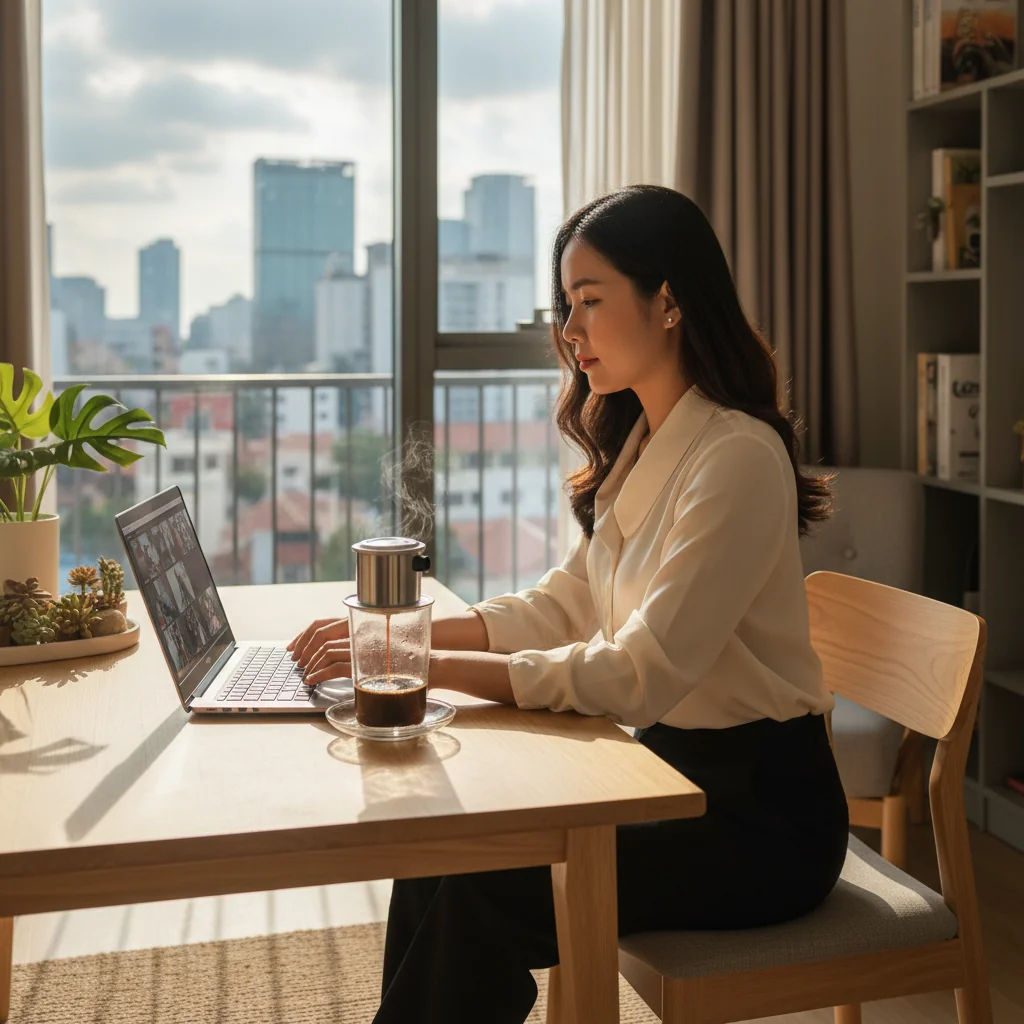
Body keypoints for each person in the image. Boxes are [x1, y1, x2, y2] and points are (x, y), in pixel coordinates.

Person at [289, 185, 849, 1024]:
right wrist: (396, 633)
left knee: (488, 891)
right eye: (565, 306)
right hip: (665, 773)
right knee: (443, 841)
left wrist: (418, 665)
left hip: (758, 817)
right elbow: (569, 601)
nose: (570, 331)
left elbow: (635, 674)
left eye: (590, 302)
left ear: (669, 302)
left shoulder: (735, 455)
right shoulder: (649, 436)